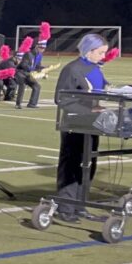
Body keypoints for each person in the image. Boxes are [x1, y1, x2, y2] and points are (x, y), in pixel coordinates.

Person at [52, 33, 111, 223]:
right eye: (101, 52)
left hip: (91, 125)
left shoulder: (94, 68)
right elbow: (61, 98)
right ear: (90, 50)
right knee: (71, 166)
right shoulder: (72, 69)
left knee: (88, 165)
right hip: (74, 125)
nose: (103, 57)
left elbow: (98, 89)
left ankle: (80, 206)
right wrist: (88, 109)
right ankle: (66, 208)